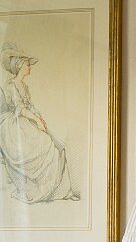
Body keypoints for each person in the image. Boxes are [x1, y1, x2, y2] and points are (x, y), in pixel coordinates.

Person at [0, 42, 79, 203]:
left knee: (57, 145)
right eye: (28, 65)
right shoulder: (11, 86)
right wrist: (36, 119)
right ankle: (39, 190)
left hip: (26, 121)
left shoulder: (24, 86)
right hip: (12, 126)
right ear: (20, 66)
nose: (30, 68)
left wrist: (39, 118)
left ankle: (61, 190)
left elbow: (30, 107)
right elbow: (19, 109)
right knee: (44, 145)